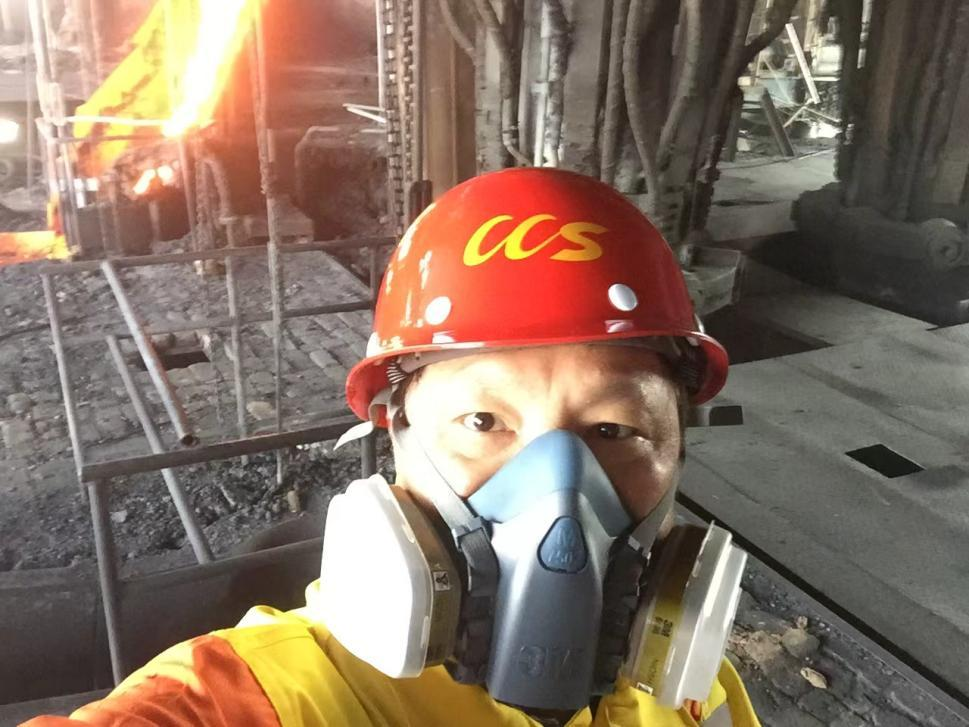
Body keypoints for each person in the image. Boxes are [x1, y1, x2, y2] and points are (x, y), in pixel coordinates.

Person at [25, 168, 759, 727]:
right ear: (396, 436)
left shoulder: (701, 698)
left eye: (614, 431)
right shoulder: (267, 697)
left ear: (676, 454)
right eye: (483, 421)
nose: (559, 494)